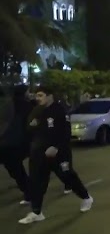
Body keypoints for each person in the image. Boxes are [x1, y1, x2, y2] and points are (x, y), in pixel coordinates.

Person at [20, 86, 93, 224]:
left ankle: (86, 197)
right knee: (37, 182)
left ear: (49, 96)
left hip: (59, 154)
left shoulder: (59, 110)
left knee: (67, 177)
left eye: (40, 95)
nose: (37, 98)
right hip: (41, 154)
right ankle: (37, 212)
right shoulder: (38, 110)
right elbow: (30, 128)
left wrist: (56, 147)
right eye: (36, 95)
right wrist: (32, 125)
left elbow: (66, 133)